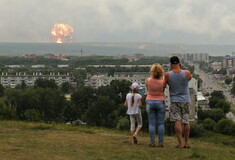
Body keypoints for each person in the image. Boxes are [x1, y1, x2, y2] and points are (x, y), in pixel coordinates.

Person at [165, 56, 192, 148]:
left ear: (171, 64)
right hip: (186, 100)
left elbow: (167, 83)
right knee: (186, 121)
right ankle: (187, 143)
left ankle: (180, 143)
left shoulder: (168, 75)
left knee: (177, 121)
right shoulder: (187, 73)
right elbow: (189, 78)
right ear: (179, 63)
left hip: (174, 100)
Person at [145, 63, 166, 147]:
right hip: (160, 101)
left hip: (150, 101)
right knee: (161, 123)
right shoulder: (163, 81)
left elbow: (148, 89)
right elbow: (163, 90)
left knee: (152, 124)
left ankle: (152, 142)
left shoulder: (148, 80)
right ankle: (160, 142)